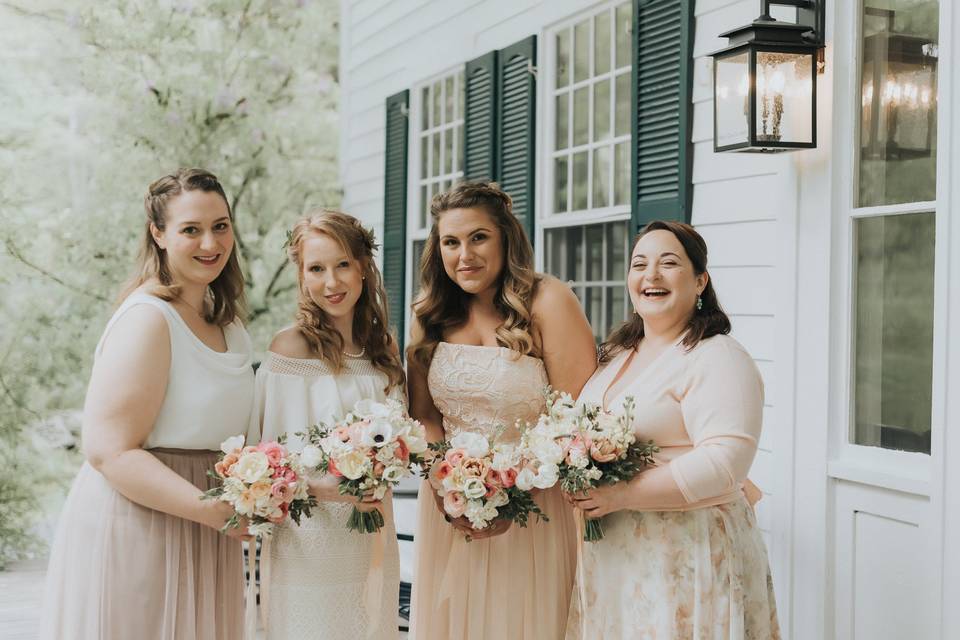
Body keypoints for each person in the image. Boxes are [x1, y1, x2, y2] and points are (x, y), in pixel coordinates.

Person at [40, 168, 255, 640]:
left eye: (220, 226)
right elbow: (107, 450)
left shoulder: (230, 324)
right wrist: (210, 508)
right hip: (143, 523)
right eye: (190, 230)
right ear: (158, 234)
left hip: (207, 529)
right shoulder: (148, 319)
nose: (210, 243)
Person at [566, 220, 781, 639]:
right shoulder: (615, 354)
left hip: (687, 551)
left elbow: (726, 462)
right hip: (616, 553)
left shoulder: (717, 357)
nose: (651, 276)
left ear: (700, 280)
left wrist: (622, 493)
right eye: (639, 264)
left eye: (669, 263)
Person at [408, 181, 597, 640]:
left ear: (505, 238)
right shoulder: (428, 313)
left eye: (478, 237)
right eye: (450, 242)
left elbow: (573, 415)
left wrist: (511, 498)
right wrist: (445, 488)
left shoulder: (547, 300)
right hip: (451, 506)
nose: (464, 255)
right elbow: (424, 416)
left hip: (535, 507)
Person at [248, 209, 404, 640]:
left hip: (371, 532)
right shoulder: (290, 347)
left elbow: (401, 435)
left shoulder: (382, 347)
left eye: (342, 265)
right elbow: (265, 463)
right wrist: (326, 489)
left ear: (363, 268)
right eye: (316, 269)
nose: (331, 283)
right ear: (301, 275)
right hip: (308, 539)